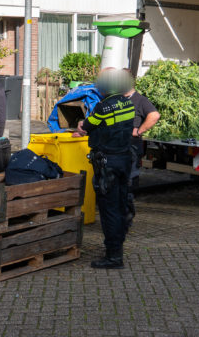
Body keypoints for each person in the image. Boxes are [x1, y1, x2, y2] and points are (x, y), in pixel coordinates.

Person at [75, 68, 135, 269]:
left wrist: (81, 124)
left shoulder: (103, 107)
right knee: (120, 204)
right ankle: (119, 244)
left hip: (107, 164)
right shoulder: (128, 103)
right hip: (124, 160)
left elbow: (87, 126)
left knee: (109, 210)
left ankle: (113, 256)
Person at [124, 84, 160, 228]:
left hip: (132, 149)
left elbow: (155, 115)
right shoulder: (119, 99)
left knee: (128, 184)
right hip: (120, 149)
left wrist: (139, 131)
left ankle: (127, 220)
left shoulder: (140, 100)